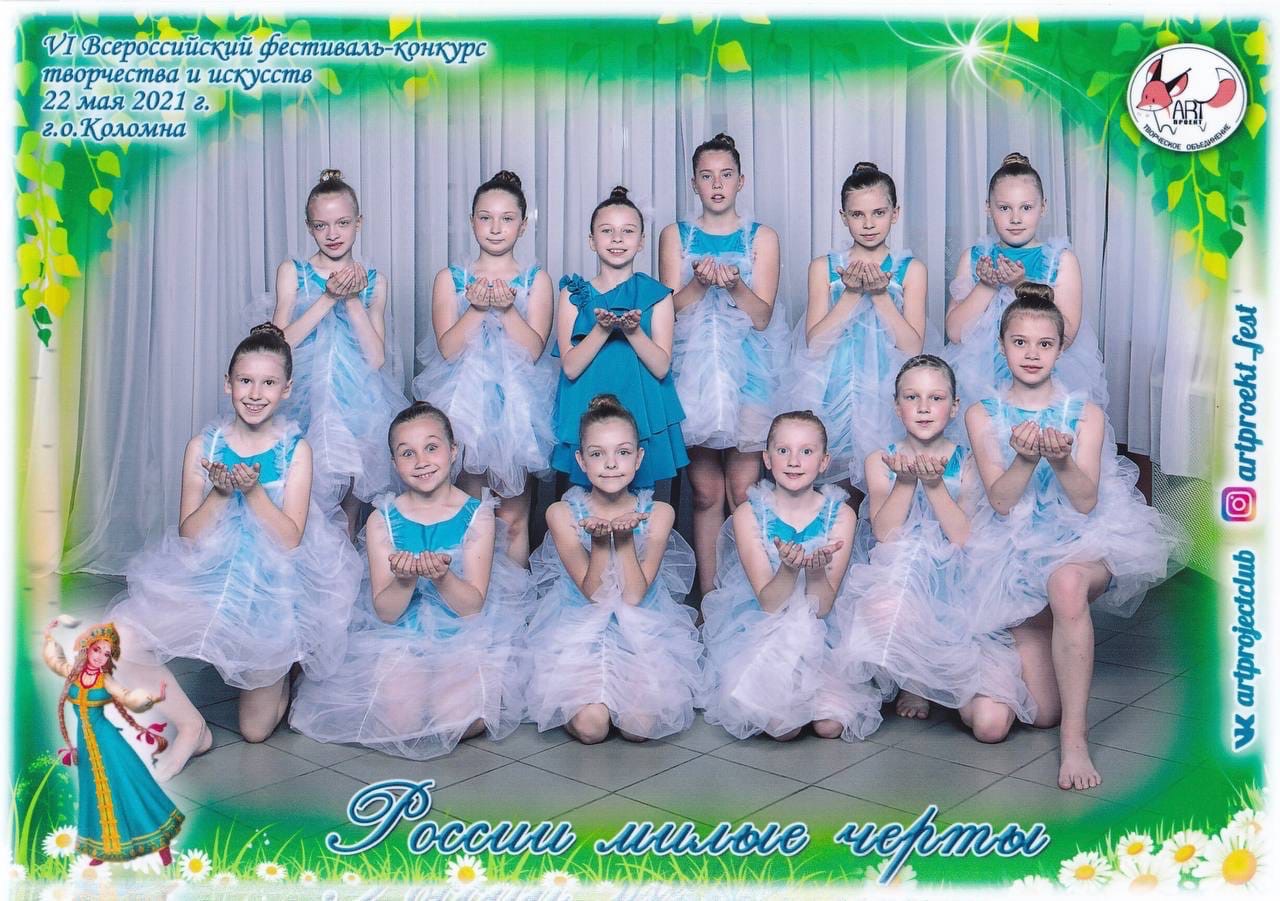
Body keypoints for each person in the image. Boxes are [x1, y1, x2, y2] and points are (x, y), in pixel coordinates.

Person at [109, 324, 361, 778]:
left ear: (286, 389)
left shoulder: (296, 450)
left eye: (268, 383)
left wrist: (254, 492)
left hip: (270, 590)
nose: (255, 394)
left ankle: (285, 668)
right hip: (209, 575)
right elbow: (189, 535)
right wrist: (222, 493)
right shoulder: (202, 447)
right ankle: (193, 730)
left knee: (255, 731)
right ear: (228, 384)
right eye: (246, 381)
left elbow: (290, 538)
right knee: (119, 640)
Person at [963, 284, 1186, 789]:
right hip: (1013, 555)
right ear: (1002, 346)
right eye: (1020, 342)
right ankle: (1026, 655)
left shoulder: (1086, 415)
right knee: (1040, 711)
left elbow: (1085, 502)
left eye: (1044, 344)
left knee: (1065, 585)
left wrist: (1061, 461)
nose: (1032, 354)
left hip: (1080, 542)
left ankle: (1076, 741)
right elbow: (1000, 501)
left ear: (1060, 349)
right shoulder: (982, 414)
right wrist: (1025, 459)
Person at [290, 402, 533, 759]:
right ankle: (419, 687)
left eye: (431, 448)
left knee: (453, 723)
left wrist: (442, 577)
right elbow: (387, 612)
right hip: (402, 633)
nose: (421, 461)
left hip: (463, 632)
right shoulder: (382, 520)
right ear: (394, 463)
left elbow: (471, 606)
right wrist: (404, 581)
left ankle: (457, 693)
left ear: (453, 451)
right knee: (399, 723)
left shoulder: (477, 515)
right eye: (408, 453)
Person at [824, 355, 1034, 733]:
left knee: (991, 726)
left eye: (936, 398)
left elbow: (962, 537)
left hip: (961, 585)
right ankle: (914, 681)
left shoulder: (967, 461)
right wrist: (906, 481)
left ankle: (950, 682)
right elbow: (885, 532)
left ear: (953, 407)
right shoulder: (880, 460)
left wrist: (935, 486)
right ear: (897, 406)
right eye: (912, 397)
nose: (923, 408)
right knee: (889, 599)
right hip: (903, 582)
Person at [527, 395, 702, 743]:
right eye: (597, 454)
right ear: (581, 460)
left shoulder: (659, 513)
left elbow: (634, 595)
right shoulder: (562, 514)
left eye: (622, 452)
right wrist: (598, 542)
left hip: (640, 631)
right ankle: (586, 702)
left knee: (641, 728)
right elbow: (593, 594)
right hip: (580, 631)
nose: (610, 464)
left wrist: (622, 540)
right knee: (592, 728)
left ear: (638, 458)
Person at [700, 411, 879, 741]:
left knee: (830, 726)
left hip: (823, 633)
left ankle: (814, 692)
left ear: (824, 462)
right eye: (783, 451)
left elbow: (823, 607)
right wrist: (788, 568)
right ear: (767, 459)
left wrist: (815, 572)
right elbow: (769, 604)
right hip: (763, 629)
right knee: (783, 728)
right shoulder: (748, 514)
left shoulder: (841, 514)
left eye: (806, 452)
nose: (794, 461)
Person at [658, 133, 785, 594]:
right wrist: (697, 284)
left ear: (741, 181)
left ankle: (752, 594)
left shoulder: (762, 238)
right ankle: (711, 599)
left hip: (750, 374)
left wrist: (733, 285)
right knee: (705, 492)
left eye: (726, 175)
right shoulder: (676, 236)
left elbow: (762, 315)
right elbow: (668, 311)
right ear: (694, 183)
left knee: (743, 491)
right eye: (707, 176)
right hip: (693, 374)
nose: (717, 185)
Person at [413, 170, 555, 565]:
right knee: (468, 513)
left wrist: (507, 310)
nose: (495, 228)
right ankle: (469, 592)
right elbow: (448, 350)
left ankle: (514, 595)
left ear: (522, 226)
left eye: (507, 219)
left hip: (517, 410)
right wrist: (476, 309)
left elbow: (533, 351)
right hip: (464, 405)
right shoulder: (450, 279)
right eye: (485, 217)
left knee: (513, 517)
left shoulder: (536, 280)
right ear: (471, 221)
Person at [270, 168, 408, 526]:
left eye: (343, 223)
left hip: (357, 404)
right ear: (309, 227)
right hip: (302, 401)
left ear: (358, 223)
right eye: (321, 225)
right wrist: (329, 297)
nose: (332, 234)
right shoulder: (294, 272)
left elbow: (376, 358)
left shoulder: (375, 282)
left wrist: (351, 299)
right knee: (299, 498)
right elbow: (278, 346)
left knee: (348, 508)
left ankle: (343, 564)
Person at [791, 162, 927, 489]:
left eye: (879, 213)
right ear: (843, 217)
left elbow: (913, 348)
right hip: (832, 389)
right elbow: (815, 344)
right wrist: (851, 293)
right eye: (857, 214)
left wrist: (880, 295)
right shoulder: (823, 268)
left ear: (895, 213)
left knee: (882, 484)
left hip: (886, 390)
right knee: (833, 488)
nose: (868, 224)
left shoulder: (911, 270)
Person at [945, 152, 1107, 409]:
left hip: (1045, 379)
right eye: (1004, 208)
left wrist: (1018, 287)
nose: (1016, 218)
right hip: (981, 381)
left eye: (1026, 208)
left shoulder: (1060, 260)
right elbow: (955, 333)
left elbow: (1066, 336)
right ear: (988, 208)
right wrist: (986, 286)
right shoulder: (974, 258)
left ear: (1043, 207)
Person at [551, 186, 688, 489]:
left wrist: (633, 332)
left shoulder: (657, 296)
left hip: (639, 406)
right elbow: (570, 367)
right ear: (592, 240)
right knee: (582, 502)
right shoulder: (573, 294)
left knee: (640, 502)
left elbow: (661, 367)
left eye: (627, 231)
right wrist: (601, 330)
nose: (617, 239)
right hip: (585, 406)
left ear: (641, 241)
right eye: (607, 231)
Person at [43, 619, 184, 865]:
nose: (100, 656)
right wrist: (48, 637)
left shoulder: (106, 680)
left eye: (106, 653)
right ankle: (105, 847)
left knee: (131, 787)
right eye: (97, 649)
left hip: (109, 743)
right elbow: (55, 661)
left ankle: (161, 843)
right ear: (87, 648)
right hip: (86, 744)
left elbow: (128, 697)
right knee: (95, 793)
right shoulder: (73, 673)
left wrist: (152, 698)